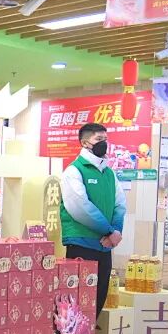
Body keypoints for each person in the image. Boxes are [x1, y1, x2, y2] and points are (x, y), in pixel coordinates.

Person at [59, 123, 127, 319]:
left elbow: (120, 204)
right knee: (77, 299)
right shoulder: (74, 170)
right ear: (84, 143)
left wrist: (116, 231)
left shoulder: (109, 173)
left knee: (99, 296)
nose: (103, 143)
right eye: (98, 139)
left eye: (105, 139)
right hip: (82, 243)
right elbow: (79, 206)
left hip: (105, 246)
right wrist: (108, 231)